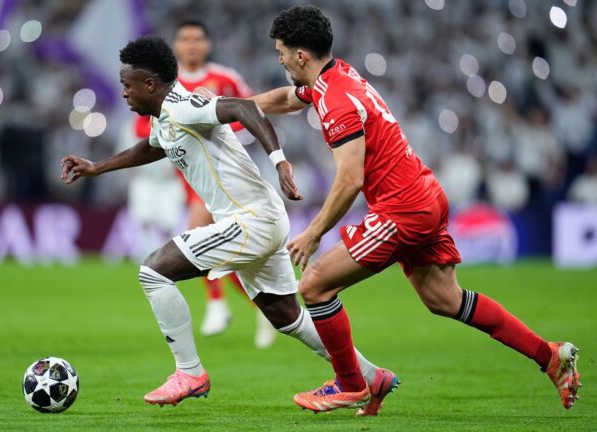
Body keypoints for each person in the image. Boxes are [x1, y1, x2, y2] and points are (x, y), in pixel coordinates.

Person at [247, 5, 580, 412]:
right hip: (424, 194)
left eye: (281, 52)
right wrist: (231, 110)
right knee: (445, 299)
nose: (279, 60)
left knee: (315, 285)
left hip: (401, 208)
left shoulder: (336, 101)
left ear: (300, 55)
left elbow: (350, 180)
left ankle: (351, 384)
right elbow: (286, 99)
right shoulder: (338, 76)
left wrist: (314, 232)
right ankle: (550, 356)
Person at [61, 36, 397, 411]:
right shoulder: (164, 117)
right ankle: (372, 377)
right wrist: (99, 167)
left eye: (127, 85)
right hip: (260, 218)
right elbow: (155, 145)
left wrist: (279, 161)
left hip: (250, 221)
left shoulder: (185, 106)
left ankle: (189, 372)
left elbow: (242, 107)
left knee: (153, 271)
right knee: (285, 316)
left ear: (150, 84)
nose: (124, 93)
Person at [133, 20, 275, 346]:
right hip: (187, 177)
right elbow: (144, 129)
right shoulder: (163, 84)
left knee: (196, 232)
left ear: (207, 45)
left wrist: (213, 124)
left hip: (220, 171)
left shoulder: (226, 78)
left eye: (198, 38)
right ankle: (263, 307)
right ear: (176, 46)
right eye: (185, 39)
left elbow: (250, 111)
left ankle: (216, 304)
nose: (192, 45)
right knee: (224, 257)